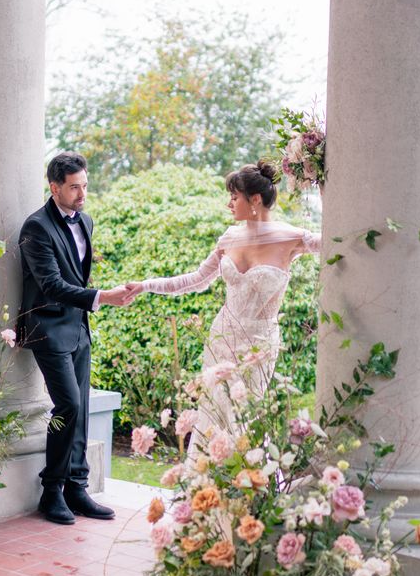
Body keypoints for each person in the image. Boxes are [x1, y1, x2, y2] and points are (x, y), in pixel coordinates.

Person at [126, 160, 321, 453]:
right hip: (221, 339)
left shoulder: (292, 238)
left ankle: (244, 489)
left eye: (234, 197)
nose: (229, 204)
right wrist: (145, 285)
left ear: (255, 200)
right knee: (213, 414)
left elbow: (336, 241)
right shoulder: (229, 238)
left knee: (244, 417)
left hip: (259, 345)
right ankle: (203, 487)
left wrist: (319, 172)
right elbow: (195, 280)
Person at [16, 151, 132, 525]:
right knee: (68, 406)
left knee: (81, 405)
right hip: (47, 328)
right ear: (54, 188)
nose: (82, 194)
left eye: (84, 185)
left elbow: (75, 275)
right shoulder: (36, 228)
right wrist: (103, 297)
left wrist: (88, 311)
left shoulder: (86, 221)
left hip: (78, 328)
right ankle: (51, 491)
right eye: (74, 187)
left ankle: (76, 487)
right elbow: (50, 284)